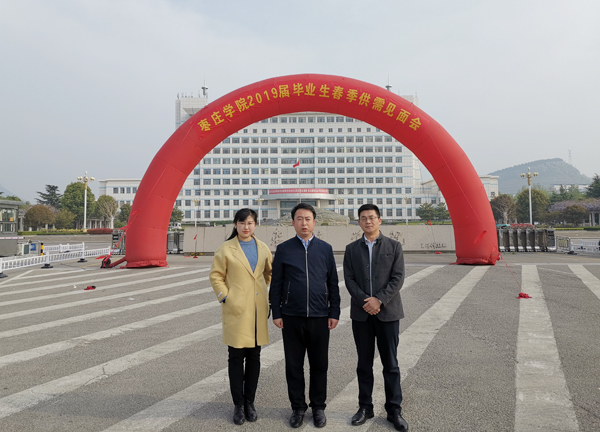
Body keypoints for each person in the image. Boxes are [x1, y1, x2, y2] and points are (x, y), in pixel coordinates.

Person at [269, 203, 341, 429]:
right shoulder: (284, 249)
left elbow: (332, 283)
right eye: (299, 219)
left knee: (319, 364)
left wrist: (335, 311)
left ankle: (318, 407)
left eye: (308, 219)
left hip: (320, 316)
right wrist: (277, 312)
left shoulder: (325, 249)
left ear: (314, 222)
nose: (304, 223)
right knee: (294, 365)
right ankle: (298, 408)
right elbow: (277, 283)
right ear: (292, 222)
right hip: (291, 316)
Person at [343, 204, 408, 431]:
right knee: (364, 363)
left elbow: (398, 278)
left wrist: (379, 300)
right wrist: (366, 301)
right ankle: (365, 407)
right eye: (363, 218)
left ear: (380, 220)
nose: (368, 221)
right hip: (362, 316)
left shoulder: (393, 246)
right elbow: (349, 280)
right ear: (358, 222)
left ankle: (394, 410)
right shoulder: (351, 249)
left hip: (388, 314)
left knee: (391, 364)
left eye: (372, 217)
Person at [209, 208, 273, 425]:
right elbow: (216, 276)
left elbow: (268, 273)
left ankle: (250, 403)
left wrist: (263, 293)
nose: (247, 227)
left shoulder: (263, 248)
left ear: (255, 225)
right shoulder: (226, 249)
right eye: (242, 222)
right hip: (236, 311)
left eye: (251, 223)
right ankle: (238, 404)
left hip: (257, 312)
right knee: (236, 357)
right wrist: (226, 298)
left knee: (254, 358)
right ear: (235, 224)